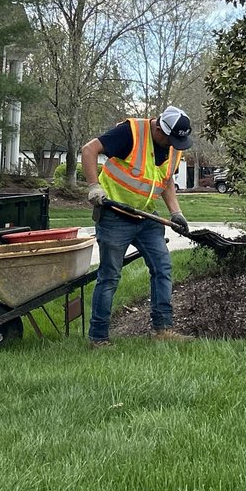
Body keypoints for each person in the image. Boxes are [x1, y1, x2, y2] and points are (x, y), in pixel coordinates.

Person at [81, 105, 194, 347]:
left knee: (162, 268)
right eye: (169, 138)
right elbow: (89, 150)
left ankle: (162, 328)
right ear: (158, 129)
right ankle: (98, 338)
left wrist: (176, 213)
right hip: (114, 215)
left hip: (146, 217)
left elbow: (166, 181)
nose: (171, 144)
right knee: (110, 276)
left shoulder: (173, 147)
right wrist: (93, 186)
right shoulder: (130, 132)